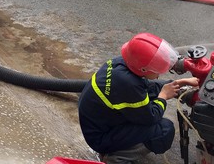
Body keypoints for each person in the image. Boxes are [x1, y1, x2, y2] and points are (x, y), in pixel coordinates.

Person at [78, 32, 199, 164]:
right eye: (157, 70)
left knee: (149, 100)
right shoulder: (128, 84)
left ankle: (120, 147)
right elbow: (151, 117)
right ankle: (116, 158)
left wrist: (180, 83)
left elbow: (147, 87)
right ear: (142, 69)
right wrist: (163, 97)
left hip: (103, 123)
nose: (159, 74)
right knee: (164, 131)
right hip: (100, 138)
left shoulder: (123, 64)